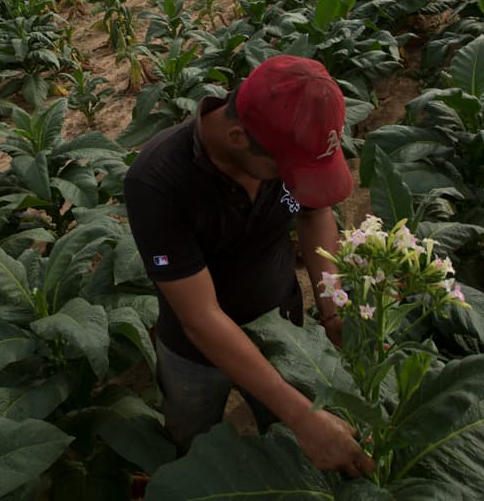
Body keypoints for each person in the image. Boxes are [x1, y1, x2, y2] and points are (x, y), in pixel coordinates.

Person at [123, 54, 375, 476]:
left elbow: (313, 211)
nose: (293, 182)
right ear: (238, 137)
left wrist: (332, 304)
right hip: (195, 353)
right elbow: (200, 317)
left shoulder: (283, 138)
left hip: (284, 330)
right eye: (288, 171)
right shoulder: (157, 182)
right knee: (193, 445)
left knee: (295, 450)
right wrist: (303, 417)